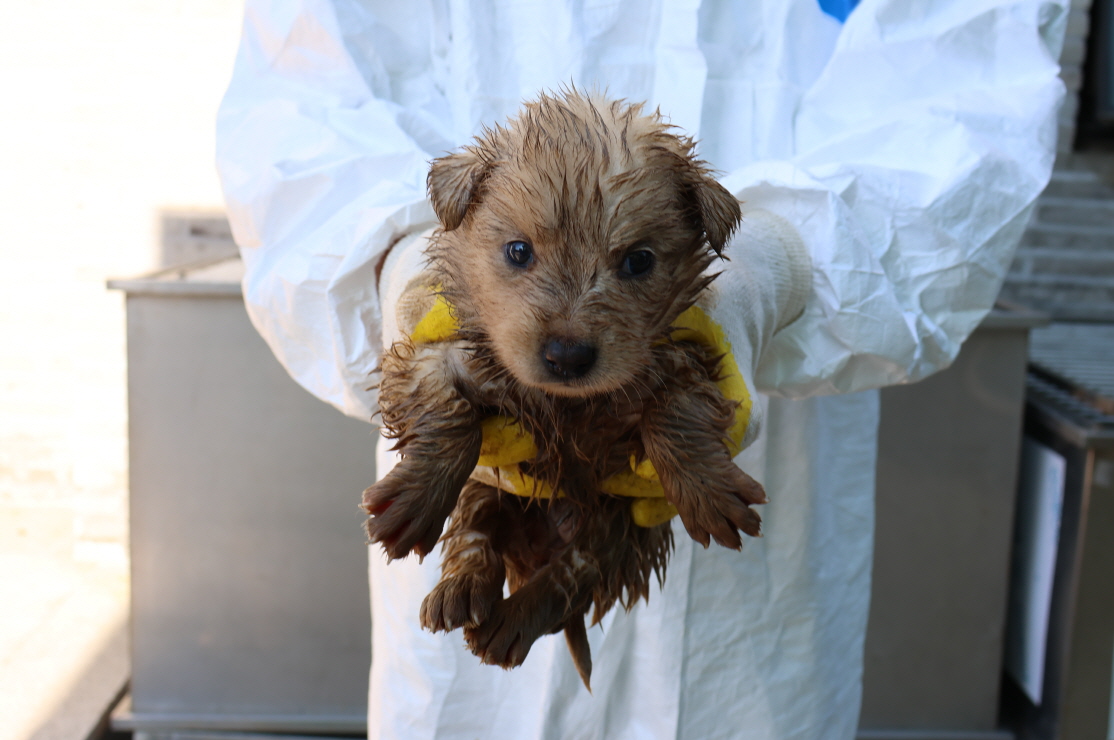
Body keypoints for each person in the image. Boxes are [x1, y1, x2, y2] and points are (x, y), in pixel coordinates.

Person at [216, 1, 1068, 737]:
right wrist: (400, 263)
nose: (569, 329)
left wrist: (774, 271)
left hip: (766, 587)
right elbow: (299, 115)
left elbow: (967, 112)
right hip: (470, 598)